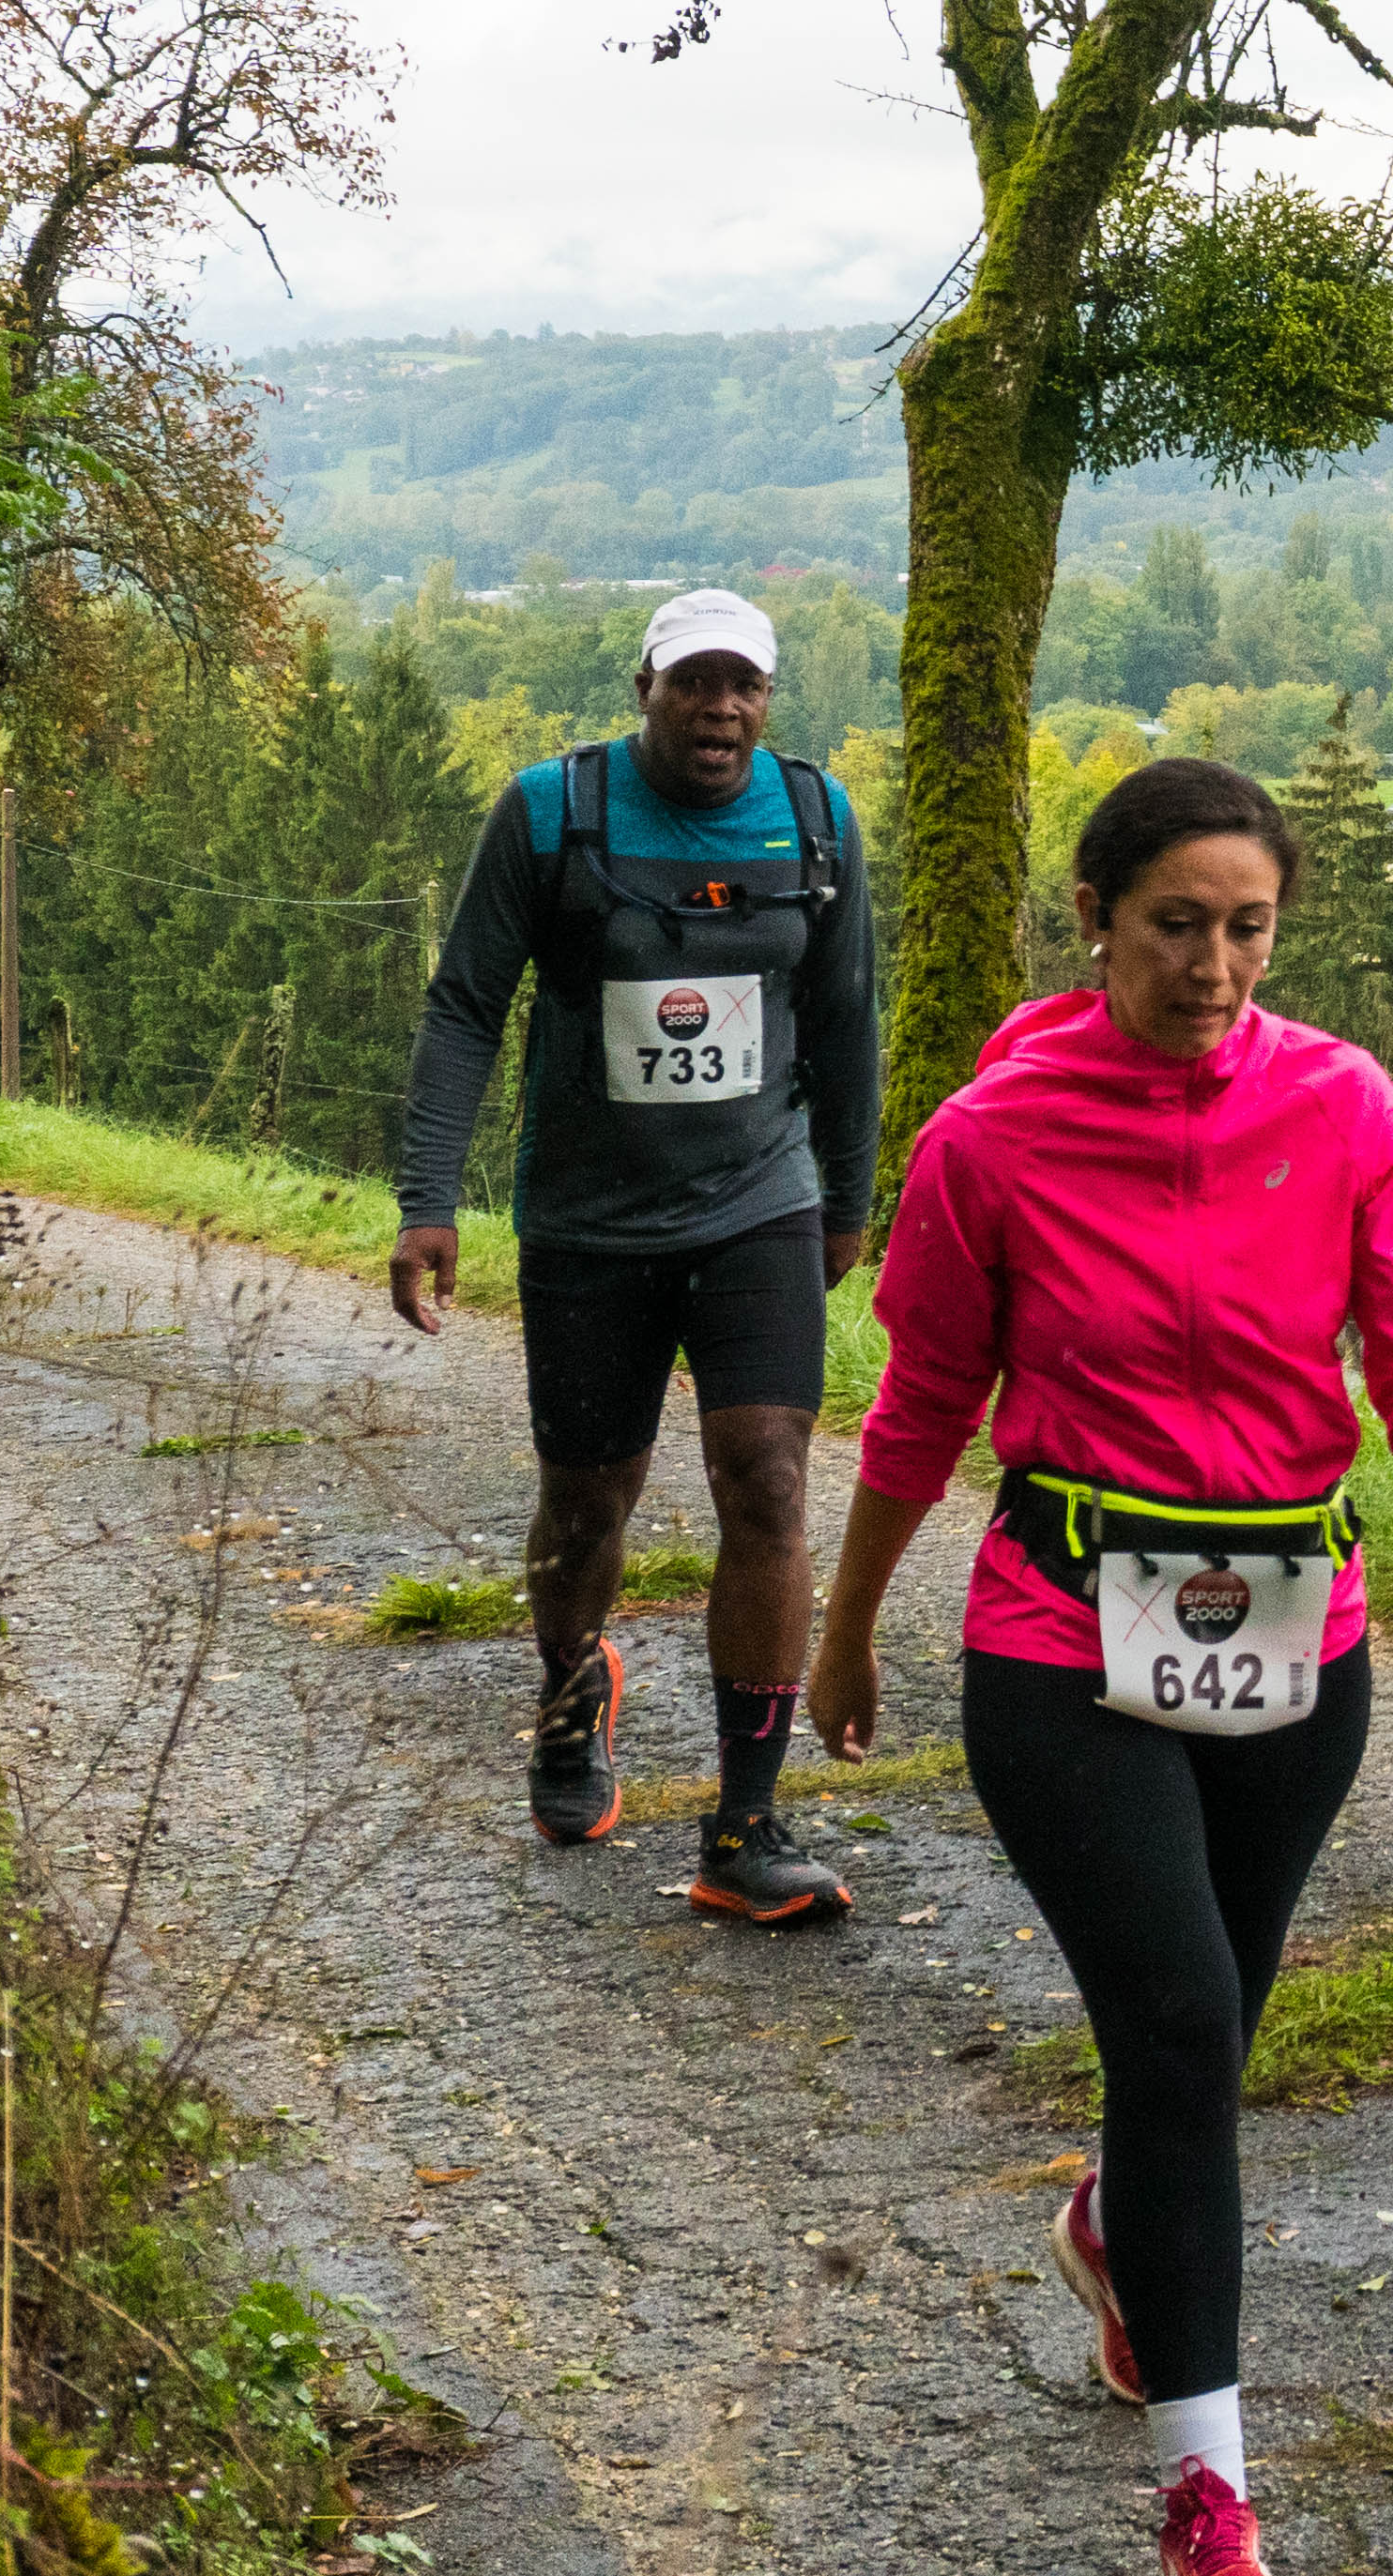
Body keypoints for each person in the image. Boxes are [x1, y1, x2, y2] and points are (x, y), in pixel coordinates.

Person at [806, 759, 1393, 2576]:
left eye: (1247, 927)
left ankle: (1121, 2219)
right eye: (1176, 924)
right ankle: (1210, 2490)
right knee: (1181, 2020)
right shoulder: (994, 1137)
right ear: (1096, 919)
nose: (1213, 965)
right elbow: (921, 1401)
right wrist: (848, 1619)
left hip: (1293, 1628)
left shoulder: (1342, 1104)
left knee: (1208, 2031)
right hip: (1060, 1629)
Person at [390, 587, 878, 1927]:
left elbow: (846, 1015)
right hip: (589, 1222)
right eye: (693, 682)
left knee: (766, 1478)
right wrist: (428, 1198)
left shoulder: (816, 818)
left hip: (759, 1204)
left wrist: (847, 1199)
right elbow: (464, 1006)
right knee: (587, 1505)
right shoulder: (553, 812)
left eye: (743, 685)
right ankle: (570, 1691)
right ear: (644, 688)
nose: (720, 708)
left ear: (766, 697)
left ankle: (746, 1823)